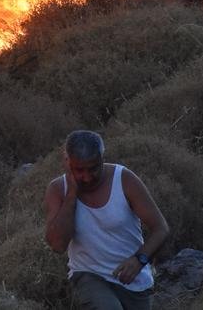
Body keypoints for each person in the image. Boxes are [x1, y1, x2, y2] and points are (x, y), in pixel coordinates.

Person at [44, 130, 170, 310]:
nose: (86, 178)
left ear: (102, 158)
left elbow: (161, 228)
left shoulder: (124, 179)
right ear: (67, 162)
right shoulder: (58, 189)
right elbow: (57, 245)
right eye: (78, 170)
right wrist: (72, 193)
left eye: (93, 168)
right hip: (88, 275)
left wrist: (139, 259)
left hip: (133, 281)